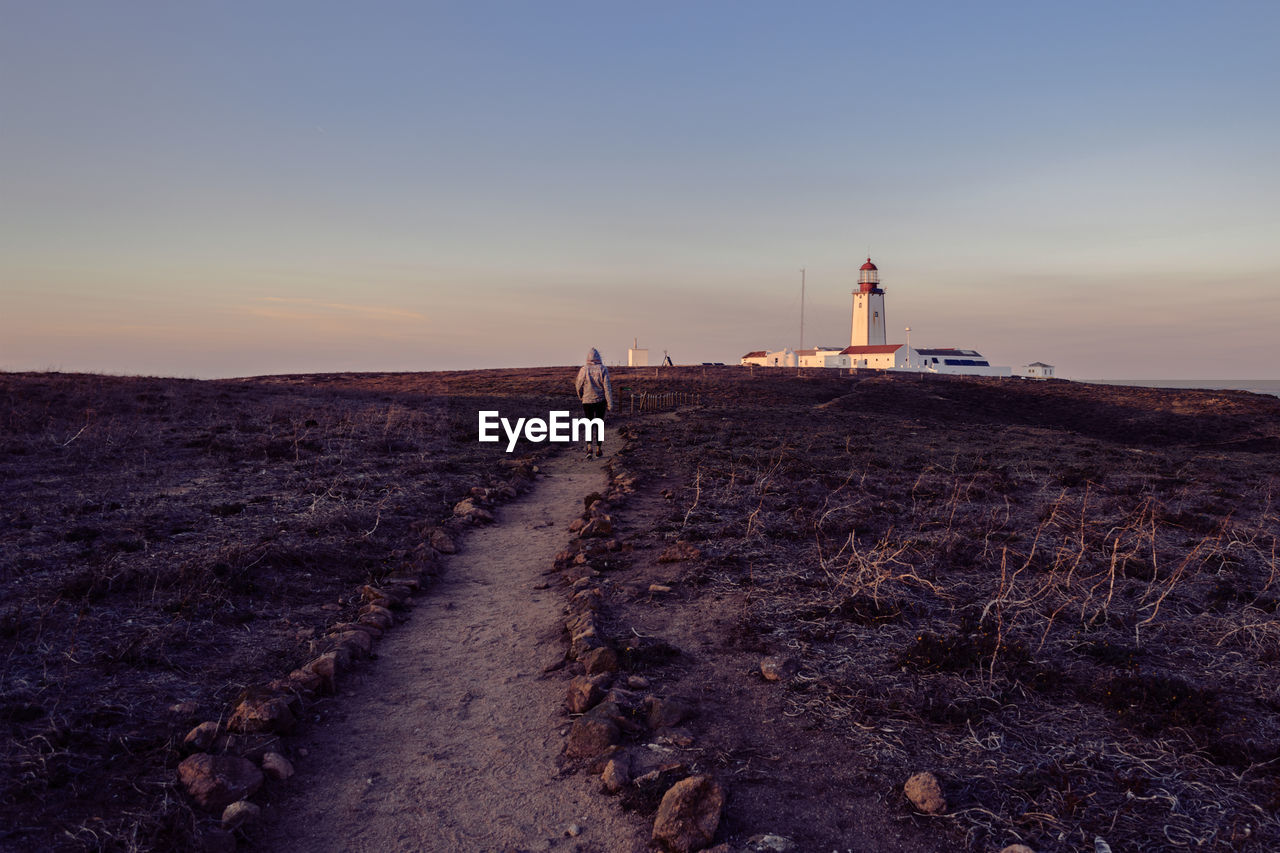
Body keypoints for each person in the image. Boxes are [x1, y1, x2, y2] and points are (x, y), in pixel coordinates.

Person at [574, 347, 614, 458]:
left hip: (587, 401)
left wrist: (581, 396)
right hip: (600, 401)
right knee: (599, 424)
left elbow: (578, 385)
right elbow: (607, 388)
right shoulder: (603, 369)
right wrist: (610, 404)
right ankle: (598, 448)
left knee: (589, 423)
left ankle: (589, 447)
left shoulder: (584, 369)